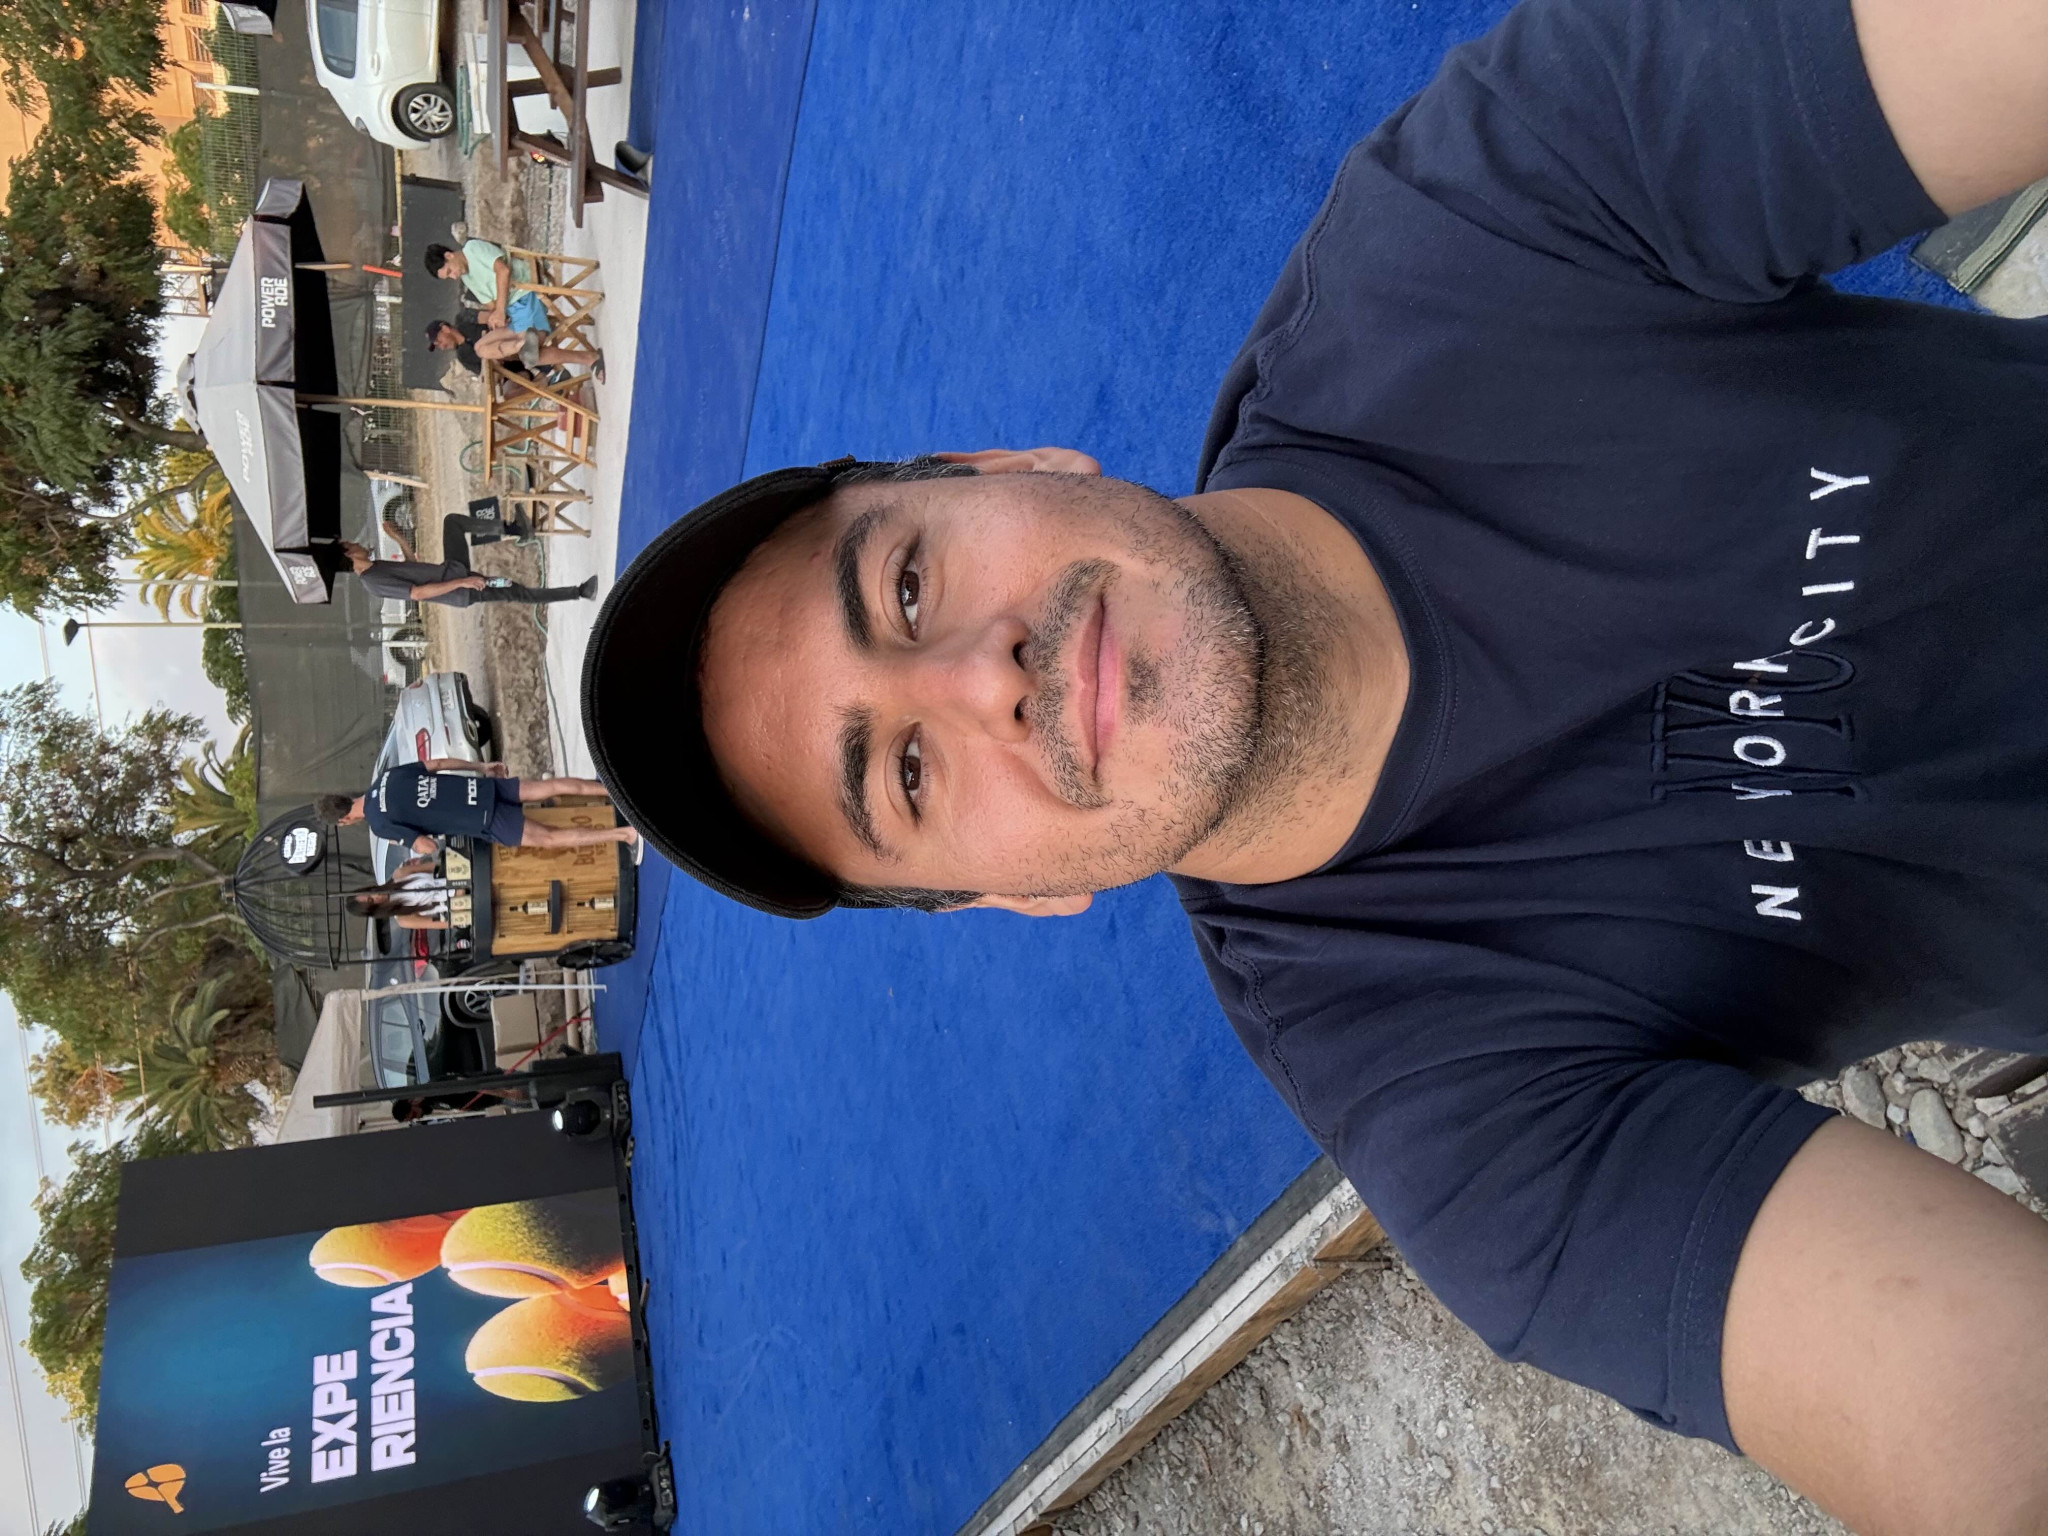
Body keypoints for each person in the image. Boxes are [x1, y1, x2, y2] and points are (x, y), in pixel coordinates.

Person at [579, 1, 2048, 1529]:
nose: (979, 680)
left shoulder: (1485, 223)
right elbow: (1983, 1413)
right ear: (1016, 900)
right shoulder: (1461, 1122)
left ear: (1015, 463)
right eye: (904, 778)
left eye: (904, 587)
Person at [315, 758, 641, 858]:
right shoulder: (385, 777)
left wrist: (418, 846)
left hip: (481, 819)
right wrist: (481, 767)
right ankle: (616, 792)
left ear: (344, 820)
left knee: (551, 839)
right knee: (551, 786)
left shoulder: (380, 825)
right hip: (481, 789)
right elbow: (438, 763)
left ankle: (625, 834)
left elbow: (427, 846)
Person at [340, 509, 595, 608]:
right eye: (352, 545)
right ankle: (579, 592)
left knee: (452, 522)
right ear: (349, 554)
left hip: (452, 570)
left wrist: (399, 539)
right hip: (462, 589)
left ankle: (515, 529)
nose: (358, 544)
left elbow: (413, 568)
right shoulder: (372, 581)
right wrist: (462, 583)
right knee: (517, 592)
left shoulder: (376, 567)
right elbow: (417, 593)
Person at [424, 315, 604, 382]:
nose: (441, 346)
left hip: (513, 332)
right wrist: (494, 362)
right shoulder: (462, 356)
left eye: (438, 341)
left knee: (482, 348)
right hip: (514, 363)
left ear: (445, 329)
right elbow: (487, 375)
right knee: (529, 358)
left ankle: (587, 359)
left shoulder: (464, 320)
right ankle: (588, 358)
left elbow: (494, 317)